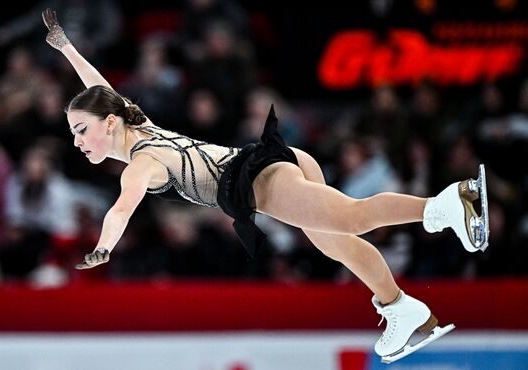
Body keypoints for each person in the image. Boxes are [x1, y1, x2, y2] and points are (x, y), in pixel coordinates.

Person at [41, 8, 489, 362]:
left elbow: (121, 208)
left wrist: (103, 249)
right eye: (73, 131)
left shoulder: (140, 162)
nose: (77, 141)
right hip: (269, 166)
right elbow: (97, 87)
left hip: (259, 182)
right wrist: (66, 48)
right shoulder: (138, 128)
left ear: (110, 122)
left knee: (352, 216)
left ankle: (451, 203)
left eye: (81, 129)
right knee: (335, 241)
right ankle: (400, 308)